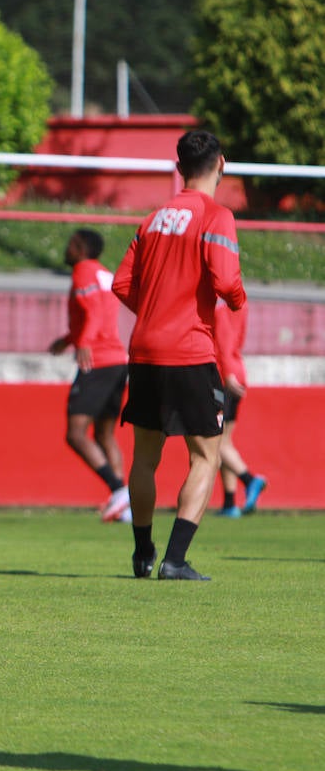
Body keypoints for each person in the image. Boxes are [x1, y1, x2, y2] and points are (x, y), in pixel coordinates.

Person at [112, 129, 245, 581]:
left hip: (145, 350)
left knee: (145, 457)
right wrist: (239, 299)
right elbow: (226, 282)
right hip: (189, 351)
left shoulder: (152, 219)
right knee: (205, 455)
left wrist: (154, 312)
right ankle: (175, 560)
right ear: (221, 165)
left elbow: (122, 284)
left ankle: (142, 552)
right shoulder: (216, 215)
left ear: (178, 168)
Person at [48, 228, 131, 524]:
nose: (67, 249)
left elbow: (93, 311)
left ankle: (119, 490)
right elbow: (100, 313)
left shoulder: (82, 271)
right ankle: (125, 505)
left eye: (71, 244)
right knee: (105, 434)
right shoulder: (103, 273)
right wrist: (70, 338)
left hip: (97, 361)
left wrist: (83, 342)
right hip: (118, 360)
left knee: (76, 433)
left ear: (81, 248)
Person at [212, 297, 268, 517]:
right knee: (224, 441)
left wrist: (226, 373)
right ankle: (229, 503)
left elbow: (222, 340)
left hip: (223, 376)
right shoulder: (241, 301)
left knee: (214, 443)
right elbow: (236, 337)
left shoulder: (219, 303)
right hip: (236, 369)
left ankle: (250, 479)